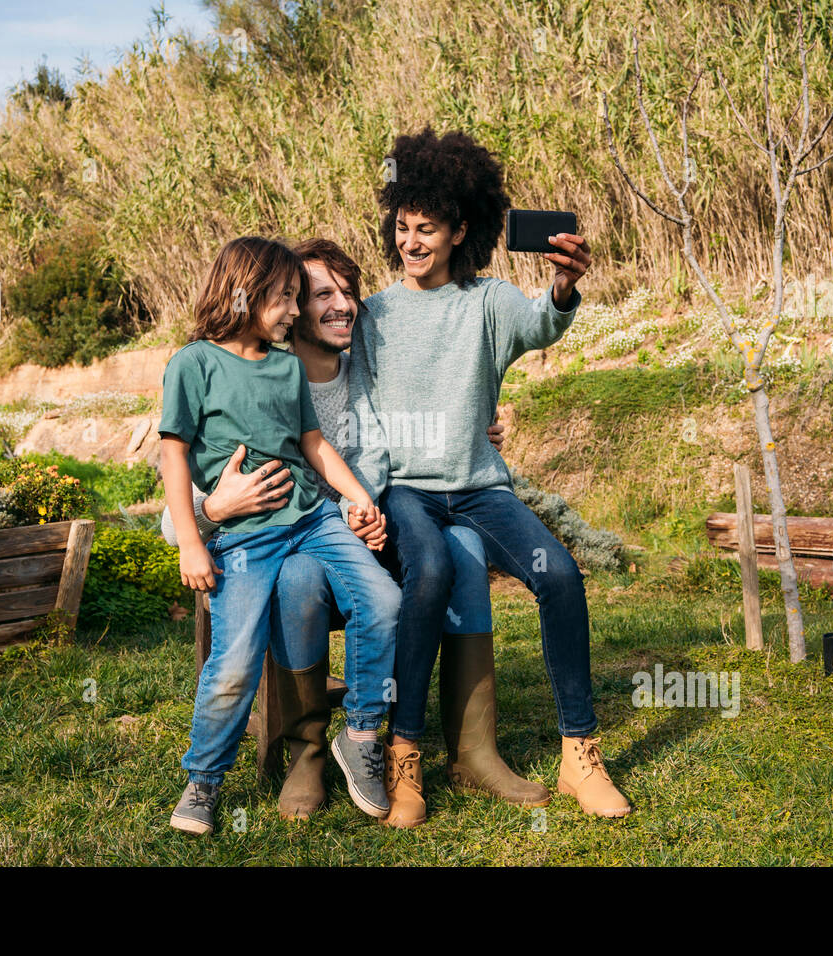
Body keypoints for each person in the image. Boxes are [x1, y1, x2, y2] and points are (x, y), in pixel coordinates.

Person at [161, 238, 548, 821]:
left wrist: (474, 429)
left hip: (344, 523)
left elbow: (422, 406)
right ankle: (303, 753)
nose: (336, 306)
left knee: (460, 549)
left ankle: (449, 747)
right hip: (257, 536)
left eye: (347, 293)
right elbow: (175, 488)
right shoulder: (204, 365)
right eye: (314, 296)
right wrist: (210, 516)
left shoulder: (353, 366)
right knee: (289, 588)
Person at [344, 127, 632, 826]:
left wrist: (564, 283)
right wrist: (370, 489)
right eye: (403, 228)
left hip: (478, 487)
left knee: (560, 576)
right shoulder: (374, 315)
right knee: (432, 573)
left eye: (428, 229)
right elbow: (359, 410)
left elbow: (542, 324)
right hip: (408, 490)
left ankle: (580, 755)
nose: (412, 242)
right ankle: (404, 756)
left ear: (459, 230)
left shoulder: (488, 300)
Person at [159, 236, 400, 835]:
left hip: (312, 520)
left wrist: (358, 497)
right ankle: (203, 782)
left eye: (298, 298)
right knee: (235, 660)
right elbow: (173, 456)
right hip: (242, 540)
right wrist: (193, 541)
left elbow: (313, 444)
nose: (296, 312)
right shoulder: (194, 364)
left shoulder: (287, 365)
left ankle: (362, 732)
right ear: (244, 291)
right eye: (287, 298)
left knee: (384, 599)